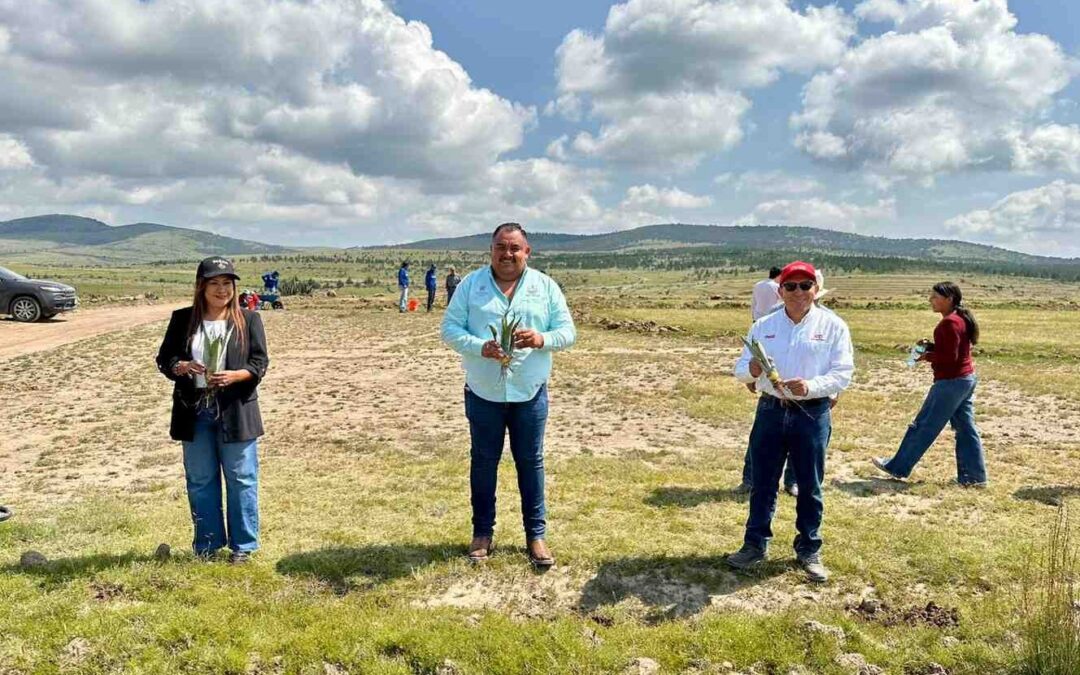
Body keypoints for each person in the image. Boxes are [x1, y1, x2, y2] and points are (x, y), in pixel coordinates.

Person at [441, 223, 576, 569]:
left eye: (515, 248)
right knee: (483, 462)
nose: (507, 254)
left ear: (527, 252)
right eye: (501, 247)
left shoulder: (544, 286)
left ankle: (536, 536)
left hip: (529, 394)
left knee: (530, 463)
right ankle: (482, 533)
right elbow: (450, 329)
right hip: (483, 392)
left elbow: (567, 331)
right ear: (491, 250)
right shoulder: (471, 285)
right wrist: (479, 347)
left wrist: (541, 339)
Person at [728, 261, 854, 582]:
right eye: (791, 286)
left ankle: (809, 547)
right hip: (771, 410)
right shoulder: (764, 326)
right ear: (780, 290)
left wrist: (811, 387)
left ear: (815, 289)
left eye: (805, 286)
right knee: (763, 482)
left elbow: (843, 373)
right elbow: (741, 368)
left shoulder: (834, 326)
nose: (798, 292)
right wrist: (752, 372)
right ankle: (755, 544)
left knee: (810, 485)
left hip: (812, 413)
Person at [156, 257, 270, 563]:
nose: (222, 290)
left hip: (236, 410)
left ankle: (243, 547)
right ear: (201, 287)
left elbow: (259, 363)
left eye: (227, 284)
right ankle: (207, 546)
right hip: (195, 413)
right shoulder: (182, 319)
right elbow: (165, 359)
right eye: (214, 283)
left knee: (241, 477)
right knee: (200, 479)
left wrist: (236, 375)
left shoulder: (249, 320)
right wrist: (181, 366)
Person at [872, 282, 987, 487]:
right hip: (965, 379)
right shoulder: (960, 319)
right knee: (965, 428)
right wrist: (933, 348)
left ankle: (897, 466)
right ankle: (974, 477)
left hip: (950, 383)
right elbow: (956, 350)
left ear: (949, 298)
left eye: (935, 297)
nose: (930, 300)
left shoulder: (948, 323)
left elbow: (949, 357)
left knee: (923, 425)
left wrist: (926, 356)